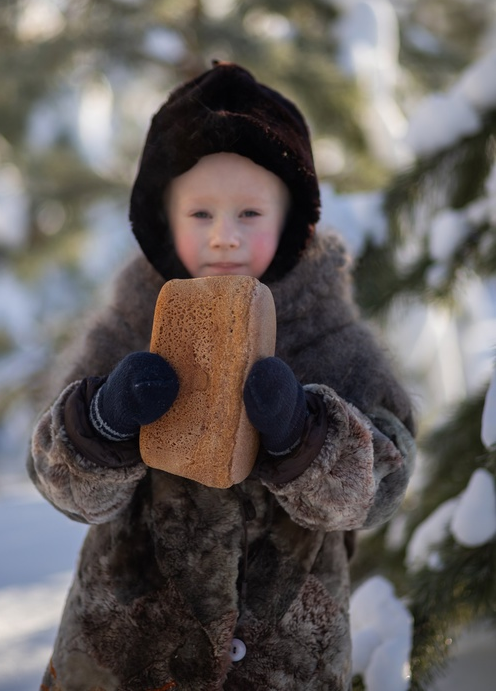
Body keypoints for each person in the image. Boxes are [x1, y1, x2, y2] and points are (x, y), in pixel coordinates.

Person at [28, 61, 416, 691]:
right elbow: (57, 480)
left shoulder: (335, 342)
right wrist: (102, 424)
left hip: (283, 660)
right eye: (201, 214)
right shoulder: (130, 326)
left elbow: (384, 489)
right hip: (125, 654)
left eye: (249, 215)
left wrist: (305, 437)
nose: (224, 239)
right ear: (163, 220)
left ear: (291, 222)